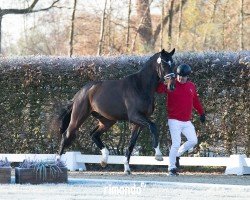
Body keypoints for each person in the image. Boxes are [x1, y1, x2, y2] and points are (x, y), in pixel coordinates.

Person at [156, 64, 205, 176]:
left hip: (187, 121)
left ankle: (177, 154)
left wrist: (201, 113)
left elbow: (196, 100)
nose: (181, 78)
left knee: (193, 140)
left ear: (187, 76)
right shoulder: (171, 84)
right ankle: (171, 168)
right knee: (176, 143)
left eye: (183, 76)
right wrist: (163, 80)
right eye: (179, 76)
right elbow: (158, 90)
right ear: (177, 75)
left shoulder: (191, 86)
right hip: (174, 120)